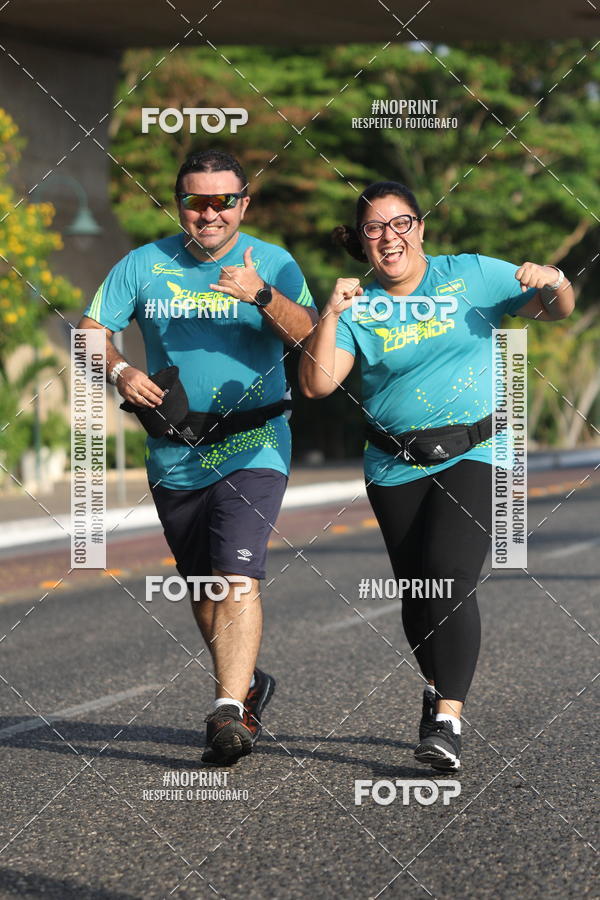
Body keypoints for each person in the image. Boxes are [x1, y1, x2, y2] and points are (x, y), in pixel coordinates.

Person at [299, 180, 574, 771]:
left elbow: (556, 309)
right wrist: (329, 313)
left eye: (400, 223)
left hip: (478, 449)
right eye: (374, 228)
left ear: (420, 228)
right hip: (394, 463)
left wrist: (553, 279)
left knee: (449, 578)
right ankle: (435, 685)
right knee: (418, 592)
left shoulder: (470, 275)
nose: (389, 237)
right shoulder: (359, 306)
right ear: (362, 242)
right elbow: (317, 384)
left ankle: (447, 719)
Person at [78, 149, 318, 764]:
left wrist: (260, 294)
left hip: (256, 442)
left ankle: (227, 711)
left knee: (237, 574)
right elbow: (88, 334)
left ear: (244, 204)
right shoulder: (142, 264)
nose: (209, 213)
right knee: (206, 588)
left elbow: (312, 338)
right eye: (196, 201)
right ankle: (249, 683)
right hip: (176, 450)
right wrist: (120, 371)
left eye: (223, 201)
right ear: (179, 203)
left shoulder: (273, 262)